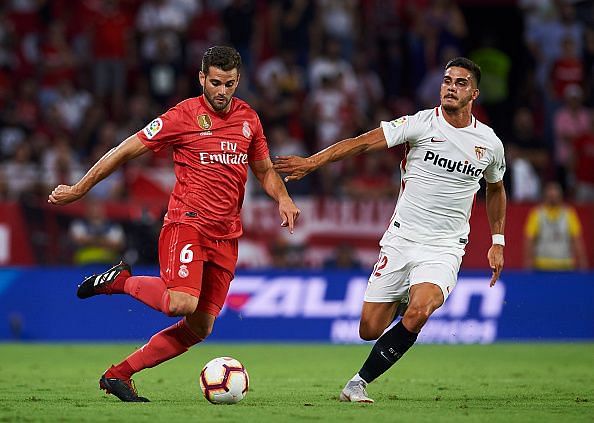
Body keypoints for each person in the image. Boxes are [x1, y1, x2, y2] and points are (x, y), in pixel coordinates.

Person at [48, 46, 300, 402]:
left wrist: (283, 198)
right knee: (181, 303)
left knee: (200, 327)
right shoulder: (182, 116)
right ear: (202, 78)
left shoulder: (250, 120)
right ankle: (120, 282)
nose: (222, 91)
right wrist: (79, 189)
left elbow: (264, 171)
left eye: (229, 84)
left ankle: (118, 375)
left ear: (238, 81)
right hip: (187, 224)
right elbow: (124, 150)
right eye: (215, 82)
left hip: (227, 236)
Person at [274, 57, 507, 403]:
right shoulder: (419, 124)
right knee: (368, 329)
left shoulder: (488, 143)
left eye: (459, 83)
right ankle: (401, 300)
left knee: (420, 311)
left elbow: (496, 188)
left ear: (474, 93)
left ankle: (357, 383)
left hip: (444, 247)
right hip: (401, 239)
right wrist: (311, 162)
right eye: (446, 81)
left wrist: (497, 241)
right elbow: (362, 143)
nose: (450, 88)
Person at [524, 181, 587, 271]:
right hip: (542, 266)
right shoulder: (537, 214)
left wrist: (583, 264)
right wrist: (528, 264)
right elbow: (529, 240)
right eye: (550, 196)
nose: (552, 198)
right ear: (545, 196)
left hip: (565, 265)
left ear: (560, 196)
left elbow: (577, 240)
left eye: (555, 196)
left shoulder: (569, 214)